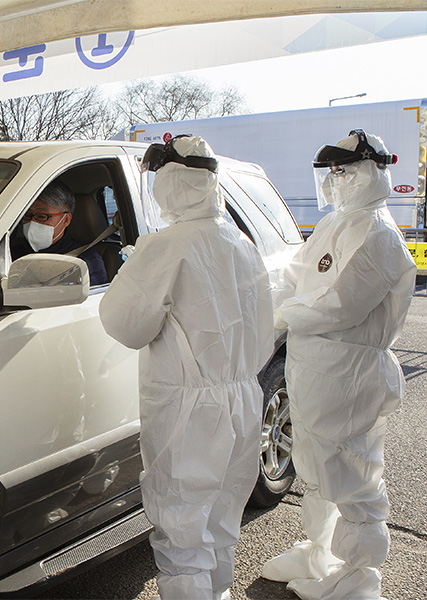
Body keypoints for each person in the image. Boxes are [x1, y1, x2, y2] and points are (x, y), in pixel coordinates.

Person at [99, 135, 274, 600]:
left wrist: (131, 268)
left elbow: (124, 324)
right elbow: (262, 327)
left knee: (182, 529)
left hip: (190, 411)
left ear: (171, 183)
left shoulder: (166, 247)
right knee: (220, 520)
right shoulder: (241, 242)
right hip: (241, 397)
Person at [261, 130, 416, 600]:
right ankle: (319, 550)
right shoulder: (334, 225)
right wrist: (275, 300)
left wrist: (284, 313)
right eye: (333, 172)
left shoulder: (379, 235)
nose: (337, 180)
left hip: (349, 373)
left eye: (346, 170)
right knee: (316, 465)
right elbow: (296, 275)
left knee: (353, 473)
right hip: (313, 369)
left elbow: (341, 304)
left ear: (373, 171)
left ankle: (359, 573)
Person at [10, 180, 108, 285]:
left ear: (65, 220)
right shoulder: (10, 255)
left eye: (42, 216)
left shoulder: (86, 262)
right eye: (27, 216)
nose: (32, 223)